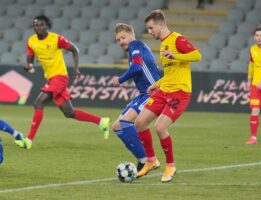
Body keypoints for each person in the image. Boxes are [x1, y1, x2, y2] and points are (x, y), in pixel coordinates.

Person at [15, 15, 110, 150]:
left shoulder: (55, 39)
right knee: (69, 112)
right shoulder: (31, 41)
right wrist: (29, 67)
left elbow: (74, 50)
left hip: (60, 77)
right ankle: (101, 122)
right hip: (51, 78)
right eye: (35, 25)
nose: (38, 27)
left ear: (46, 26)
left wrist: (76, 69)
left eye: (41, 25)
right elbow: (30, 61)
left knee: (38, 103)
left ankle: (28, 140)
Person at [135, 10, 202, 182]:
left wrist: (177, 55)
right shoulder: (164, 44)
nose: (149, 32)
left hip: (180, 92)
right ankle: (150, 161)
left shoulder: (177, 40)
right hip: (164, 90)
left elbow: (197, 55)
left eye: (151, 28)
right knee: (140, 123)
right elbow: (170, 74)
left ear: (160, 24)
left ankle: (170, 165)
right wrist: (155, 85)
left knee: (160, 127)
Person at [112, 23, 161, 171]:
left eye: (123, 37)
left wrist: (120, 80)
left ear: (131, 35)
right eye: (118, 40)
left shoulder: (136, 44)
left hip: (153, 93)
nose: (121, 42)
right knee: (117, 126)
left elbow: (137, 67)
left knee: (126, 122)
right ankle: (143, 159)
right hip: (142, 95)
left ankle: (149, 159)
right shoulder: (133, 50)